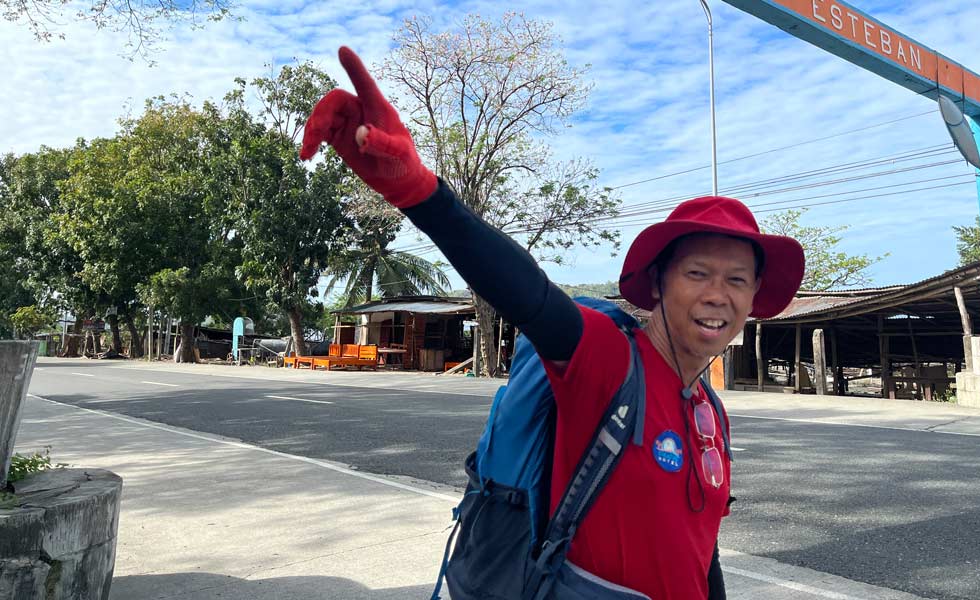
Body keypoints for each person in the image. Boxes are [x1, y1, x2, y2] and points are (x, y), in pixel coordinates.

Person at [300, 46, 805, 600]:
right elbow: (531, 296)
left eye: (736, 280)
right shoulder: (611, 361)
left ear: (755, 295)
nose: (717, 295)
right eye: (698, 272)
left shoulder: (710, 412)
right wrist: (421, 194)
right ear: (659, 282)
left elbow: (698, 546)